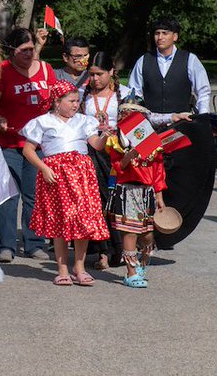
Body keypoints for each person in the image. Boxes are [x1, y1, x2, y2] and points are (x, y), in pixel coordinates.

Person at [20, 80, 110, 286]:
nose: (75, 104)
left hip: (81, 176)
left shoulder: (84, 121)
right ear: (56, 102)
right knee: (60, 221)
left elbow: (95, 145)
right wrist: (44, 168)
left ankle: (79, 267)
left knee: (83, 219)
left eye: (77, 100)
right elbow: (28, 150)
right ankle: (62, 270)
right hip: (56, 176)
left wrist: (104, 135)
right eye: (70, 101)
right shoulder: (43, 122)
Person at [0, 26, 53, 263]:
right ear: (12, 51)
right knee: (9, 195)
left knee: (33, 194)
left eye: (31, 49)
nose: (28, 54)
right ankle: (6, 245)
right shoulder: (3, 71)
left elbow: (54, 102)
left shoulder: (45, 70)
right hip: (9, 143)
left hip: (37, 144)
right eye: (23, 50)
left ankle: (34, 243)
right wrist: (0, 119)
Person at [106, 100, 169, 288]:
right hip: (127, 190)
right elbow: (117, 166)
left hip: (147, 192)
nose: (129, 118)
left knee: (148, 234)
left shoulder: (151, 142)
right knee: (130, 232)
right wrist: (128, 156)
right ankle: (131, 273)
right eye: (125, 114)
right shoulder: (116, 139)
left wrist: (159, 196)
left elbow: (158, 170)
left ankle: (142, 263)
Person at [80, 51, 125, 269]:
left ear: (111, 72)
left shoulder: (125, 95)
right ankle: (102, 252)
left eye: (99, 74)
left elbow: (141, 118)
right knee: (96, 203)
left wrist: (171, 117)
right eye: (91, 75)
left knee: (116, 202)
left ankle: (122, 249)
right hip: (91, 155)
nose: (95, 79)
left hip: (117, 155)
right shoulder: (82, 96)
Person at [127, 17, 211, 119]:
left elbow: (203, 91)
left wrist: (202, 117)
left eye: (164, 33)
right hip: (152, 125)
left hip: (182, 123)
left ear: (175, 36)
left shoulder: (190, 60)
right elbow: (133, 92)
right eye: (157, 33)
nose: (160, 37)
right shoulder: (143, 61)